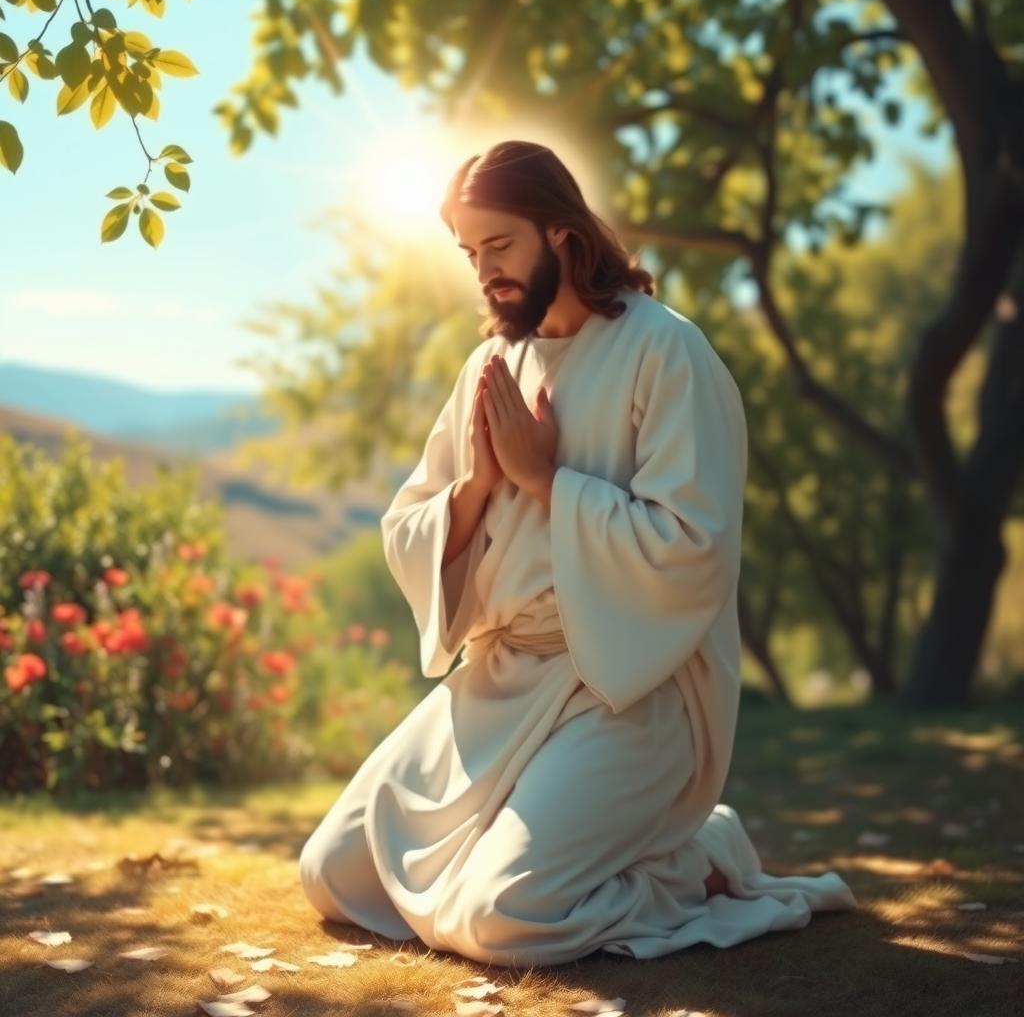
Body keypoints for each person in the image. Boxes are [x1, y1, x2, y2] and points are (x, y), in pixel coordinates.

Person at [299, 140, 857, 967]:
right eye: (469, 253)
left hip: (625, 690)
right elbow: (408, 525)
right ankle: (617, 840)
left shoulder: (667, 353)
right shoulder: (492, 364)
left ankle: (692, 857)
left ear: (561, 233)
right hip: (499, 678)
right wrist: (478, 488)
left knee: (503, 920)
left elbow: (692, 546)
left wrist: (543, 478)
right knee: (333, 875)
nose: (483, 272)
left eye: (499, 246)